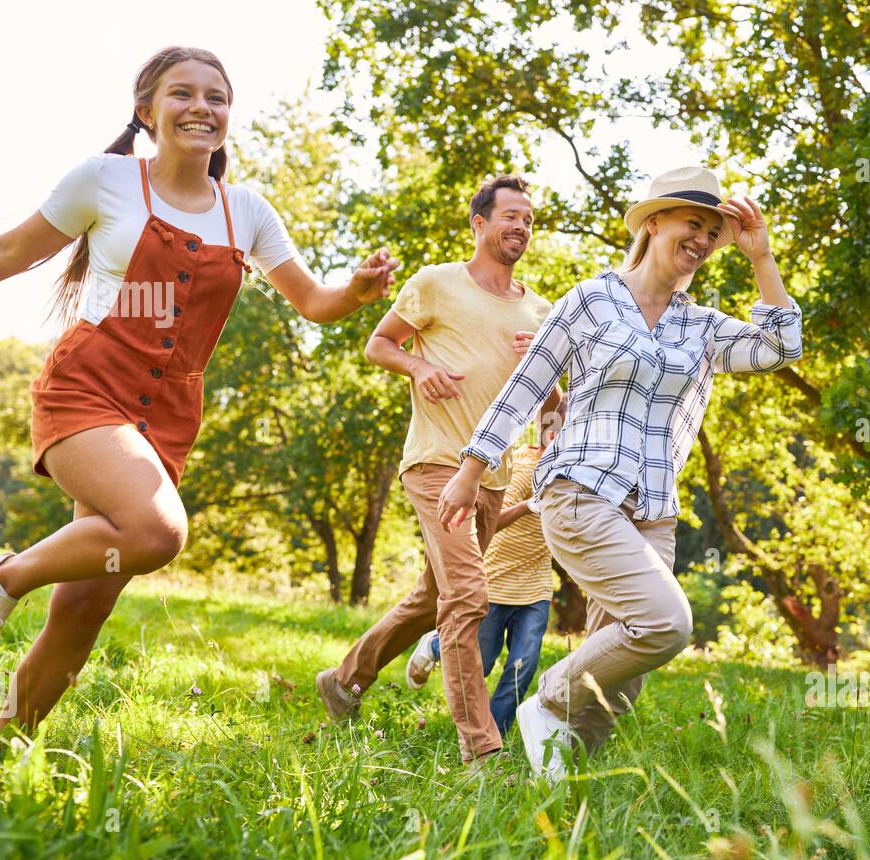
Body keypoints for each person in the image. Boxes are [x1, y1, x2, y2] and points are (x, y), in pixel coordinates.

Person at [0, 46, 399, 730]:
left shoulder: (247, 213)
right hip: (86, 393)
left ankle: (5, 749)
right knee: (156, 531)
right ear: (146, 111)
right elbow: (8, 252)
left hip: (165, 422)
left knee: (86, 607)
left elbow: (313, 302)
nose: (202, 107)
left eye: (217, 97)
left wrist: (354, 291)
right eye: (183, 94)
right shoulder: (106, 180)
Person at [438, 167, 803, 782]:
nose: (705, 239)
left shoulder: (703, 325)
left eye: (715, 231)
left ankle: (555, 793)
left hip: (652, 509)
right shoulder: (591, 299)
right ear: (654, 222)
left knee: (620, 687)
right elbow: (525, 386)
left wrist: (761, 257)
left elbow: (780, 348)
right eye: (695, 223)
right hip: (580, 491)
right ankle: (546, 697)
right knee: (666, 624)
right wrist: (472, 468)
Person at [315, 175, 563, 766]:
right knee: (468, 595)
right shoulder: (435, 284)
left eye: (529, 219)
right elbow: (379, 344)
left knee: (432, 595)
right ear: (479, 224)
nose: (521, 227)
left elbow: (552, 405)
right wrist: (417, 368)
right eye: (510, 217)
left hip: (493, 474)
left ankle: (345, 679)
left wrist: (551, 370)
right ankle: (482, 749)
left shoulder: (541, 311)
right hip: (435, 462)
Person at [405, 395, 567, 736]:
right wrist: (529, 506)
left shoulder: (570, 475)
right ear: (550, 430)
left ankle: (495, 735)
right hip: (496, 581)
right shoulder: (523, 469)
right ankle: (434, 645)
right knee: (484, 659)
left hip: (536, 587)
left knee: (523, 667)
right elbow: (488, 524)